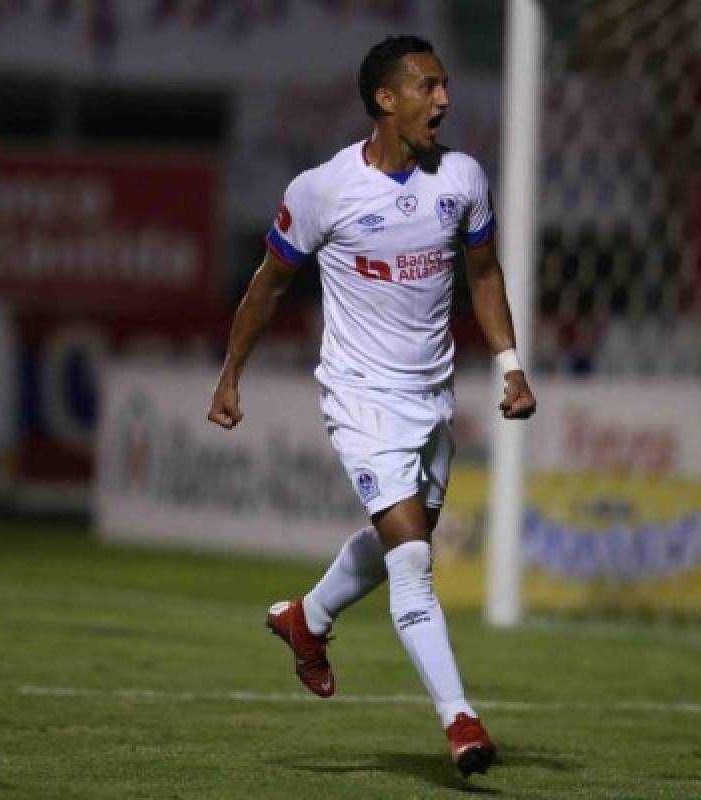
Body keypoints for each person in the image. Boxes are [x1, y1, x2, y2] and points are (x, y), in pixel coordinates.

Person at [206, 34, 536, 778]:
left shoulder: (463, 178)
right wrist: (231, 374)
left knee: (401, 542)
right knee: (414, 559)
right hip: (359, 397)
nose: (444, 100)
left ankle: (307, 619)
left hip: (433, 395)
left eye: (446, 85)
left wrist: (511, 366)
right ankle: (461, 721)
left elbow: (483, 276)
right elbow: (269, 285)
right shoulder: (323, 190)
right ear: (386, 100)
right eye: (428, 87)